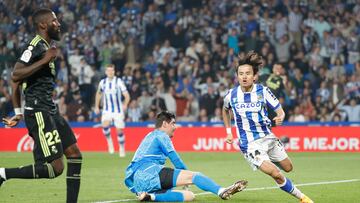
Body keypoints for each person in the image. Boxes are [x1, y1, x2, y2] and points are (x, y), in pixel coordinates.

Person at [1, 8, 82, 203]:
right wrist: (45, 60)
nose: (59, 24)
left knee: (75, 155)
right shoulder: (35, 46)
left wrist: (18, 112)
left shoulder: (46, 47)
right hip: (39, 111)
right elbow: (16, 75)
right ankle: (3, 173)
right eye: (54, 21)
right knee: (55, 169)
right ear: (43, 25)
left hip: (49, 109)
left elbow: (18, 83)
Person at [222, 51, 313, 203]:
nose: (244, 77)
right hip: (250, 144)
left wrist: (280, 117)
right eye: (241, 74)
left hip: (268, 137)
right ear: (237, 76)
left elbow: (280, 111)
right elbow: (225, 110)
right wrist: (228, 132)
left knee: (288, 167)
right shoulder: (231, 95)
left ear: (254, 76)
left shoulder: (263, 91)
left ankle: (269, 157)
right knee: (276, 174)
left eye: (248, 73)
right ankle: (303, 198)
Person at [124, 111, 247, 202]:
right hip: (150, 173)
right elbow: (176, 160)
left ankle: (150, 196)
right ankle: (221, 191)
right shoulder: (161, 135)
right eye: (173, 124)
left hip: (139, 181)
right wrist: (187, 177)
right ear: (165, 124)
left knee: (190, 196)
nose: (175, 127)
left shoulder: (149, 136)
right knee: (195, 176)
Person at [94, 64, 130, 157]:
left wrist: (125, 104)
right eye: (108, 70)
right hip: (107, 110)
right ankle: (109, 141)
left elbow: (127, 95)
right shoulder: (103, 82)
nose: (110, 72)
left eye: (112, 70)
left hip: (118, 110)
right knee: (105, 125)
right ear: (106, 72)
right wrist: (96, 106)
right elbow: (98, 94)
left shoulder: (119, 82)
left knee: (119, 131)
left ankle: (121, 148)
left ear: (114, 72)